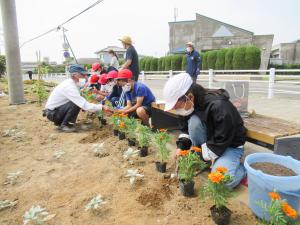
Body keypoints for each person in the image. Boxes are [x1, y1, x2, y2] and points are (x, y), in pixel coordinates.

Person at [163, 73, 246, 189]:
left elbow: (221, 140)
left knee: (221, 182)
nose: (176, 110)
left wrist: (195, 154)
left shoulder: (219, 106)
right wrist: (181, 148)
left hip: (230, 145)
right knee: (193, 122)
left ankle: (243, 169)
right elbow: (185, 129)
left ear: (190, 97)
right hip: (212, 141)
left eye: (177, 106)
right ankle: (207, 160)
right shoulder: (189, 106)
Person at [43, 64, 108, 132]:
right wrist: (102, 107)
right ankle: (64, 125)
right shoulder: (69, 86)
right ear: (74, 75)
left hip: (55, 111)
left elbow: (84, 86)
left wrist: (90, 87)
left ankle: (62, 122)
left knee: (77, 101)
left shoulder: (72, 82)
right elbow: (84, 105)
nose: (84, 75)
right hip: (53, 114)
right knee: (76, 103)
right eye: (82, 74)